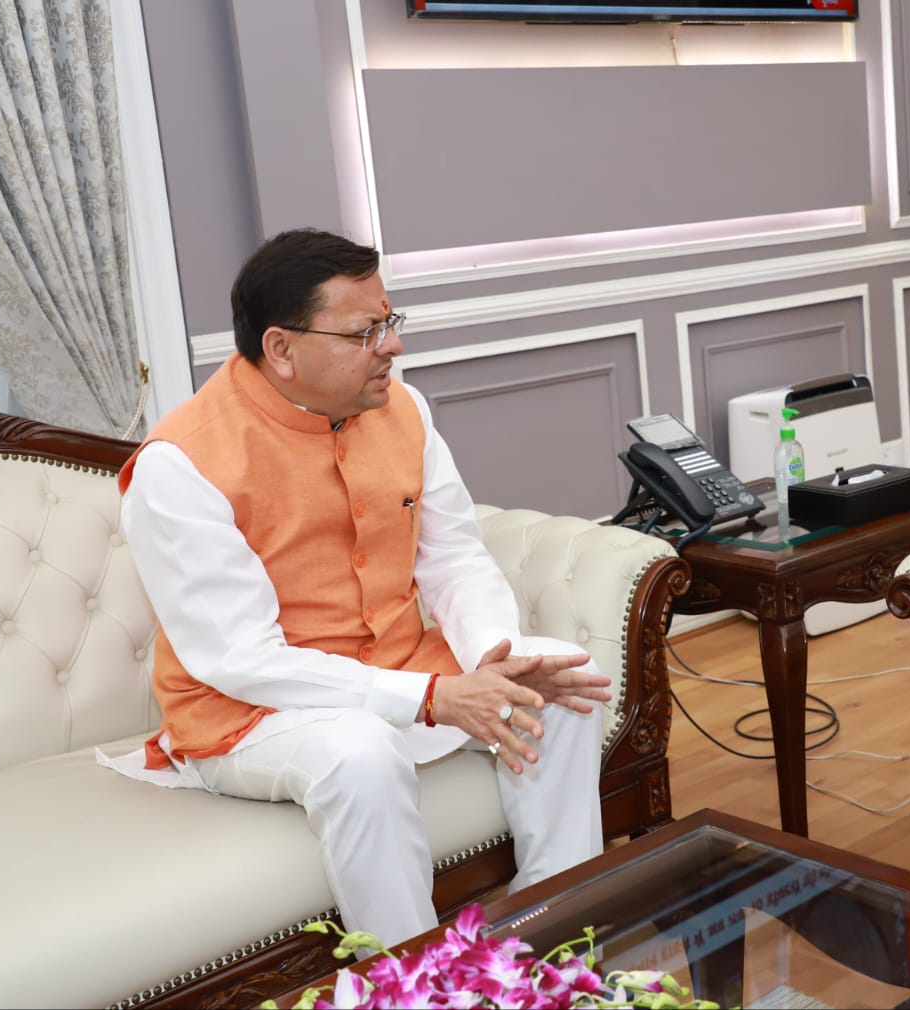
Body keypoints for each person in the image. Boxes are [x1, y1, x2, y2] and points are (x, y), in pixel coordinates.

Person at [99, 227, 610, 950]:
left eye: (389, 321)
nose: (391, 346)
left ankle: (551, 943)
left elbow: (454, 558)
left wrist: (493, 660)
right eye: (365, 332)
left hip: (400, 669)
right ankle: (417, 984)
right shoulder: (180, 466)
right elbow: (242, 659)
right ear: (282, 349)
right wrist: (431, 698)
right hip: (253, 713)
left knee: (560, 682)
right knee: (359, 749)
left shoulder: (404, 409)